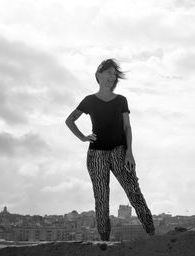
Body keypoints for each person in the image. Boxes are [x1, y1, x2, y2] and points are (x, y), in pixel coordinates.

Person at [65, 59, 155, 241]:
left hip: (120, 152)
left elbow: (127, 128)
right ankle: (104, 241)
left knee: (134, 192)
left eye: (115, 75)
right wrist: (83, 137)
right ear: (99, 74)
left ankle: (152, 233)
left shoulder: (121, 100)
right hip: (96, 154)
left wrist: (129, 151)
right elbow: (69, 120)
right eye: (109, 73)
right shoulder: (89, 101)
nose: (112, 77)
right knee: (101, 198)